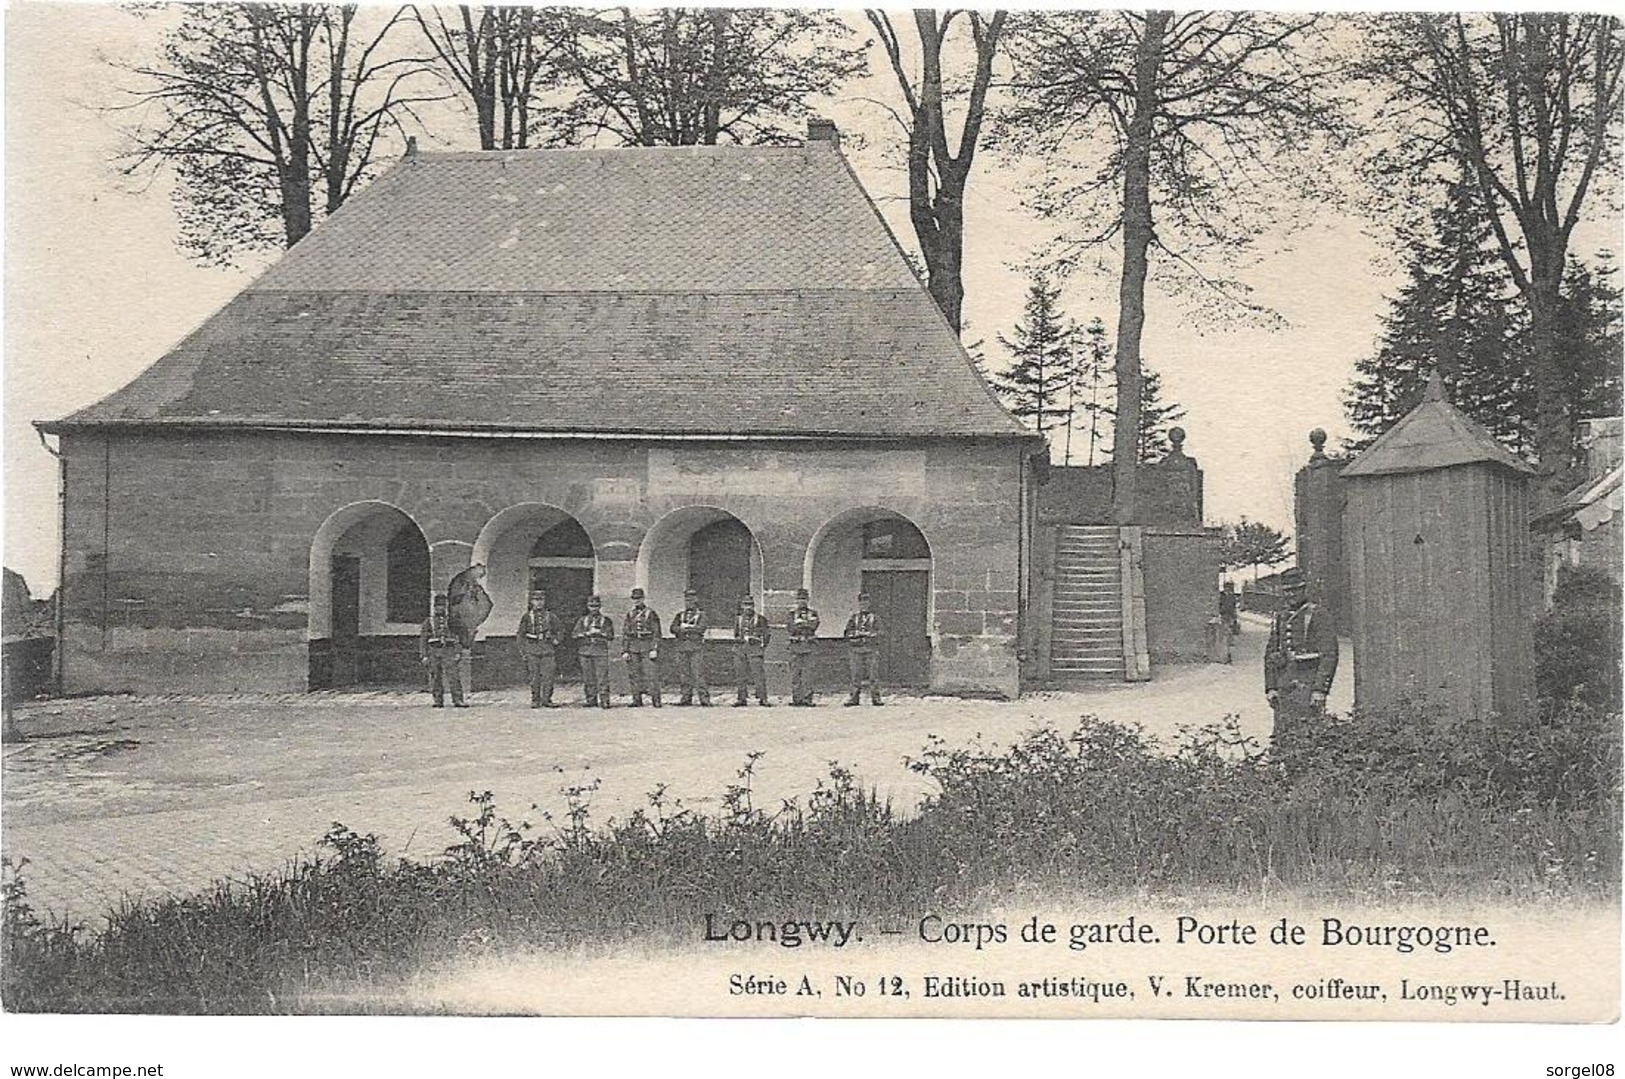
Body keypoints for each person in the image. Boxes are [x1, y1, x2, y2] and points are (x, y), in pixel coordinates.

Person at [1264, 567, 1339, 748]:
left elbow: (1329, 655)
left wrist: (1320, 690)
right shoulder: (1281, 617)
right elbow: (1270, 655)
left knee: (1307, 737)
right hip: (1284, 687)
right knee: (1283, 737)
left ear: (1304, 589)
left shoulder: (1318, 615)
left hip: (1307, 686)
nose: (1291, 595)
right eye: (1287, 591)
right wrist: (1271, 686)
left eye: (1295, 590)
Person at [446, 563, 493, 705]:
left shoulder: (473, 584)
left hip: (470, 615)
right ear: (474, 569)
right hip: (462, 616)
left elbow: (486, 602)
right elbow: (456, 598)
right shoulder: (460, 581)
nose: (480, 576)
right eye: (480, 573)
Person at [516, 590, 563, 708]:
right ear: (531, 601)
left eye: (541, 600)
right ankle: (535, 699)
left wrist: (556, 640)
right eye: (536, 600)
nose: (539, 603)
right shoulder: (527, 617)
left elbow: (560, 630)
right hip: (532, 650)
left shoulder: (550, 616)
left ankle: (547, 699)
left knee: (548, 676)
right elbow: (521, 635)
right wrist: (523, 651)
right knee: (534, 676)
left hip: (547, 650)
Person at [572, 594, 616, 708]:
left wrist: (600, 633)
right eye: (591, 606)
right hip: (585, 651)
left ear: (600, 606)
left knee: (602, 677)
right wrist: (586, 633)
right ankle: (591, 699)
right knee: (588, 677)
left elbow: (611, 635)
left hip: (600, 651)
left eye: (596, 606)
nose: (594, 608)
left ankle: (604, 700)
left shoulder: (606, 621)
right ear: (587, 606)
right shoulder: (583, 620)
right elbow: (574, 634)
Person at [622, 587, 663, 708]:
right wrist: (625, 650)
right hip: (634, 647)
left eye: (639, 598)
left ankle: (656, 700)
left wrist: (654, 649)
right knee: (634, 674)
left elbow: (657, 633)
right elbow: (626, 633)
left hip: (647, 646)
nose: (636, 601)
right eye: (634, 599)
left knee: (651, 674)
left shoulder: (650, 613)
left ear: (643, 599)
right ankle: (636, 699)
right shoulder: (630, 614)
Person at [420, 594, 463, 708]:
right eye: (438, 606)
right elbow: (423, 639)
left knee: (454, 676)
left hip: (449, 650)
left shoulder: (452, 621)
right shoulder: (429, 621)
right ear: (434, 607)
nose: (441, 608)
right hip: (434, 650)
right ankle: (438, 700)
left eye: (443, 606)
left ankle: (458, 699)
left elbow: (458, 637)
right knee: (435, 676)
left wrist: (458, 652)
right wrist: (424, 655)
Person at [671, 588, 710, 706]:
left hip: (696, 648)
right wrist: (686, 629)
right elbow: (673, 628)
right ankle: (686, 698)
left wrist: (685, 628)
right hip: (682, 647)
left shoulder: (701, 615)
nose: (689, 602)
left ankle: (704, 699)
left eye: (692, 599)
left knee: (698, 673)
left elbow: (701, 628)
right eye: (687, 600)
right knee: (684, 674)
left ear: (696, 600)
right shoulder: (680, 615)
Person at [843, 591, 883, 707]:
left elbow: (881, 632)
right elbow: (847, 633)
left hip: (870, 649)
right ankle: (854, 697)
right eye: (861, 602)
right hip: (856, 649)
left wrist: (870, 634)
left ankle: (876, 698)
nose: (863, 605)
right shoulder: (854, 618)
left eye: (866, 602)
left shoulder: (875, 618)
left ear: (869, 603)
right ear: (859, 604)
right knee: (856, 675)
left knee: (873, 675)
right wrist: (856, 634)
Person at [733, 595, 771, 707]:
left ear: (753, 606)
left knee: (758, 675)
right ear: (742, 606)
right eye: (745, 605)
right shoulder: (738, 619)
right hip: (740, 649)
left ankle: (763, 698)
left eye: (750, 605)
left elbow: (767, 634)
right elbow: (735, 634)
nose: (748, 607)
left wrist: (762, 647)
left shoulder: (760, 619)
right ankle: (741, 698)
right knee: (740, 675)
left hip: (755, 649)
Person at [787, 587, 821, 706]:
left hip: (809, 646)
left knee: (808, 674)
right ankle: (797, 698)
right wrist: (805, 625)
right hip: (796, 646)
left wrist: (801, 624)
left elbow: (814, 626)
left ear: (808, 600)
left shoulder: (813, 613)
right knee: (795, 674)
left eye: (804, 599)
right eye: (800, 599)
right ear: (796, 600)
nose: (802, 601)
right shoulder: (792, 614)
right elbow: (791, 628)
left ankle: (808, 699)